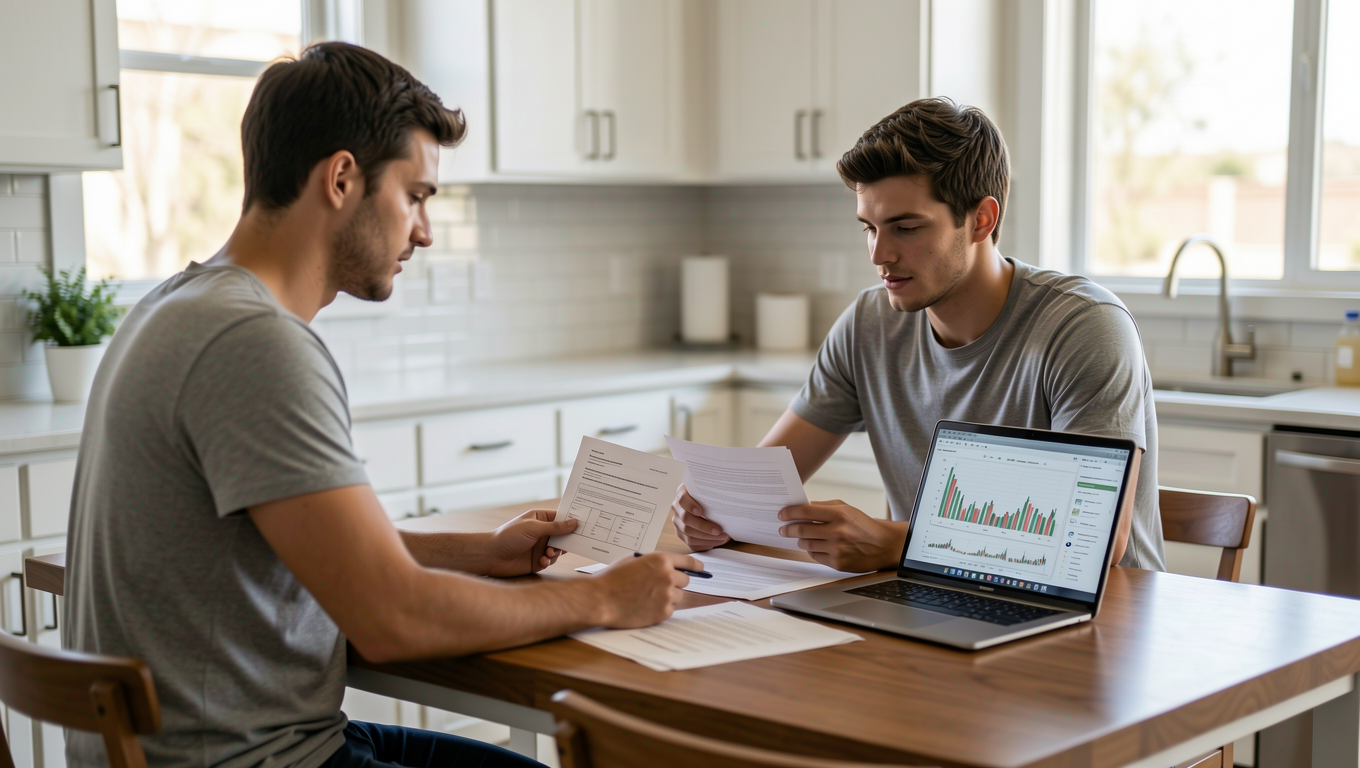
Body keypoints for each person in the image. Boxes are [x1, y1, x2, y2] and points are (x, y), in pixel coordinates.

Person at [63, 42, 700, 768]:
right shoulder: (254, 342)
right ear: (340, 178)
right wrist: (604, 600)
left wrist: (478, 555)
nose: (424, 230)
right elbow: (393, 618)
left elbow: (308, 553)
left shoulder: (177, 305)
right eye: (417, 196)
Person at [673, 97, 1165, 574]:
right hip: (932, 598)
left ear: (982, 220)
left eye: (905, 227)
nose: (878, 254)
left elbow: (1095, 543)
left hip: (1096, 623)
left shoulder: (1084, 328)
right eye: (868, 227)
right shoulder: (869, 325)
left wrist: (897, 542)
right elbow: (756, 491)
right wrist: (711, 515)